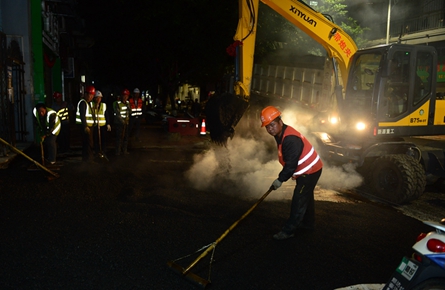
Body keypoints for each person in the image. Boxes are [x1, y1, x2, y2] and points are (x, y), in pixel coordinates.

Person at [261, 106, 323, 240]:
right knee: (306, 196)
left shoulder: (290, 139)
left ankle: (288, 230)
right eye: (267, 126)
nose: (270, 129)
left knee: (299, 199)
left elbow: (291, 165)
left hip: (310, 171)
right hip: (308, 170)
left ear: (280, 122)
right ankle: (308, 224)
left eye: (272, 125)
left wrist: (280, 180)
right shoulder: (280, 133)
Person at [76, 85, 96, 162]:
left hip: (90, 126)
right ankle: (89, 160)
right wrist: (85, 126)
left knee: (87, 143)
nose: (90, 97)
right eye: (89, 95)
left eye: (92, 95)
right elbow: (82, 115)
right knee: (88, 143)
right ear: (86, 94)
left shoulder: (89, 103)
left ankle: (86, 159)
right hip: (85, 127)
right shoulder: (83, 103)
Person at [92, 90, 111, 158]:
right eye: (97, 97)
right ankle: (97, 152)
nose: (98, 99)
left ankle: (103, 151)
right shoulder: (92, 105)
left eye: (99, 98)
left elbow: (106, 115)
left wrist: (108, 124)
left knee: (103, 139)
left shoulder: (104, 105)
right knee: (96, 139)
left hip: (102, 126)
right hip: (95, 125)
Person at [113, 89, 131, 155]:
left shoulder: (128, 103)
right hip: (119, 123)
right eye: (124, 95)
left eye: (126, 96)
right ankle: (118, 151)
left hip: (126, 123)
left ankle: (124, 150)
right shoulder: (118, 103)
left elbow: (130, 112)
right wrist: (122, 121)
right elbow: (118, 114)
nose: (125, 97)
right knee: (119, 137)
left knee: (126, 137)